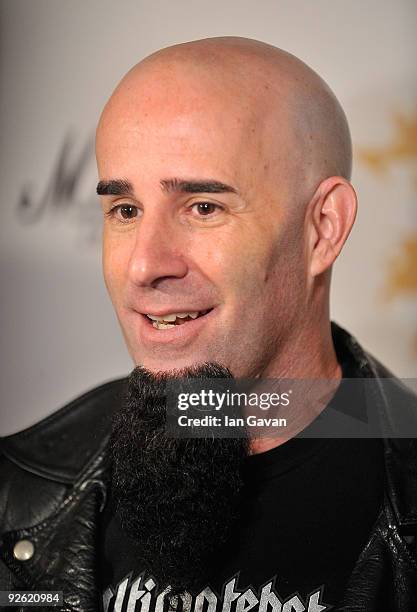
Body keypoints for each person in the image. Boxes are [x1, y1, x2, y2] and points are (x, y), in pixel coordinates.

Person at [0, 37, 416, 612]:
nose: (145, 267)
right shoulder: (19, 489)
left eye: (203, 208)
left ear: (322, 229)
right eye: (125, 210)